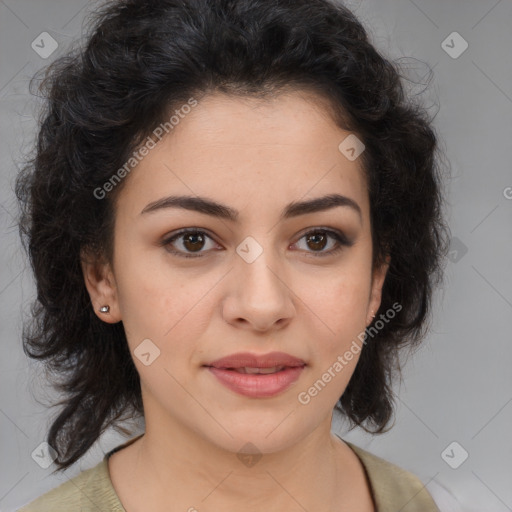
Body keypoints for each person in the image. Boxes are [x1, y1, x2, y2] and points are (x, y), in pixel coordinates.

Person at [15, 0, 450, 510]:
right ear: (100, 276)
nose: (262, 306)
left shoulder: (411, 501)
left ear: (378, 275)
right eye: (193, 240)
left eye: (317, 239)